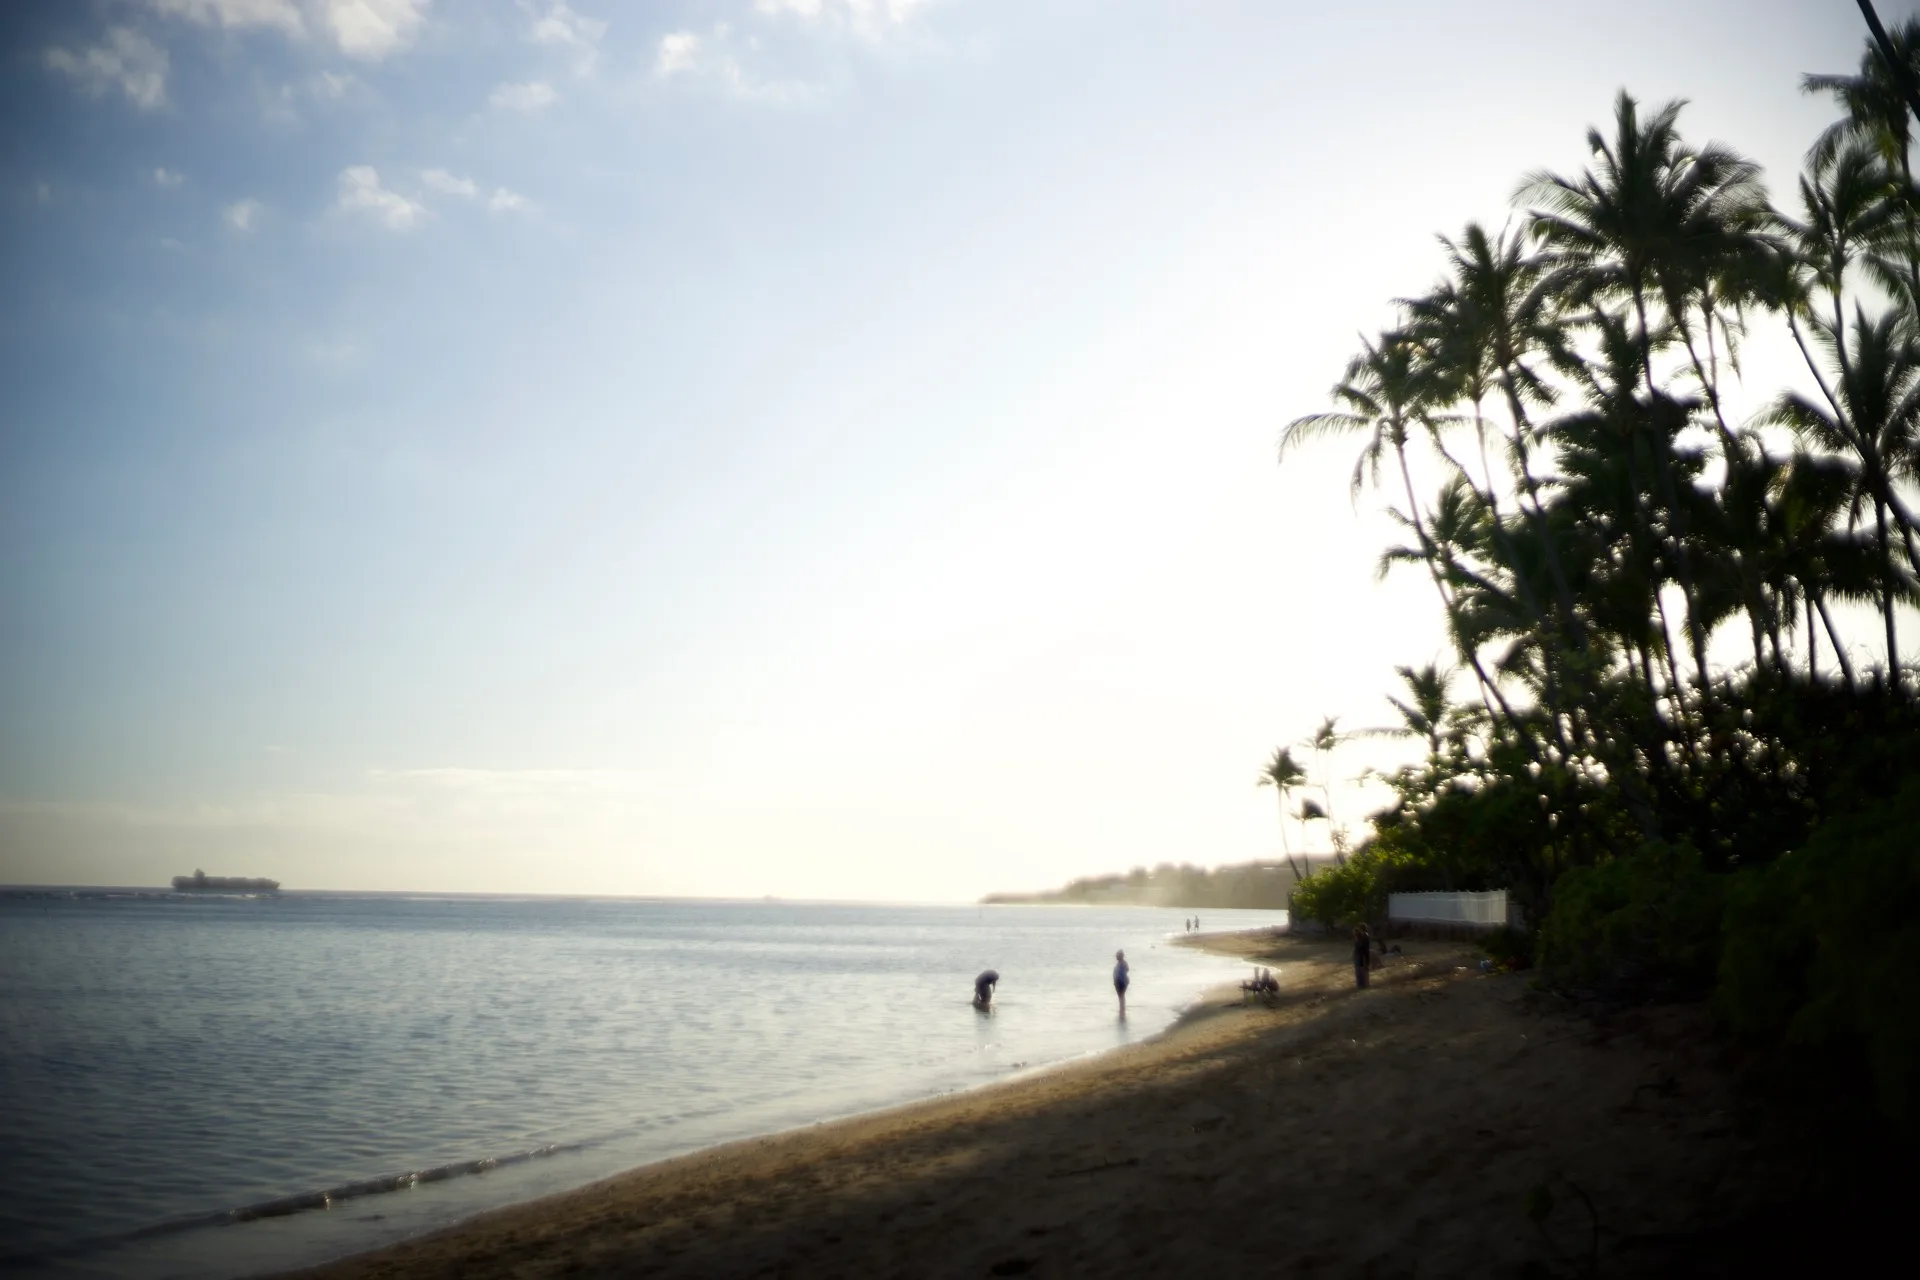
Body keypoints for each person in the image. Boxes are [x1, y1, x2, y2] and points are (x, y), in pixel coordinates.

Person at [1352, 924, 1371, 989]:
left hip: (1362, 956)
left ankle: (1363, 985)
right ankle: (1362, 985)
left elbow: (1362, 947)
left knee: (1362, 971)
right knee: (1360, 971)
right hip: (1360, 955)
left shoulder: (1365, 936)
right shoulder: (1362, 936)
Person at [1112, 949, 1130, 1015]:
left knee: (1121, 996)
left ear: (1121, 956)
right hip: (1120, 981)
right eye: (1116, 955)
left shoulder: (1122, 963)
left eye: (1117, 955)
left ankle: (1122, 1010)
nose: (1116, 957)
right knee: (1121, 996)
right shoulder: (1122, 963)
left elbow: (1125, 971)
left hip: (1121, 982)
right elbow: (1127, 970)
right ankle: (1122, 1010)